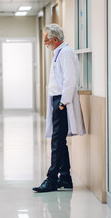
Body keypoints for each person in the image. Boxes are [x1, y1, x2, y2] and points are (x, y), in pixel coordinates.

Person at [33, 24, 85, 193]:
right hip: (57, 100)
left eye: (46, 40)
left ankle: (51, 179)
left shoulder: (66, 53)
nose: (45, 43)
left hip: (62, 102)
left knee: (57, 142)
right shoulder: (59, 53)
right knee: (60, 141)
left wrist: (63, 102)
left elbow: (70, 80)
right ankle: (65, 177)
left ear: (54, 40)